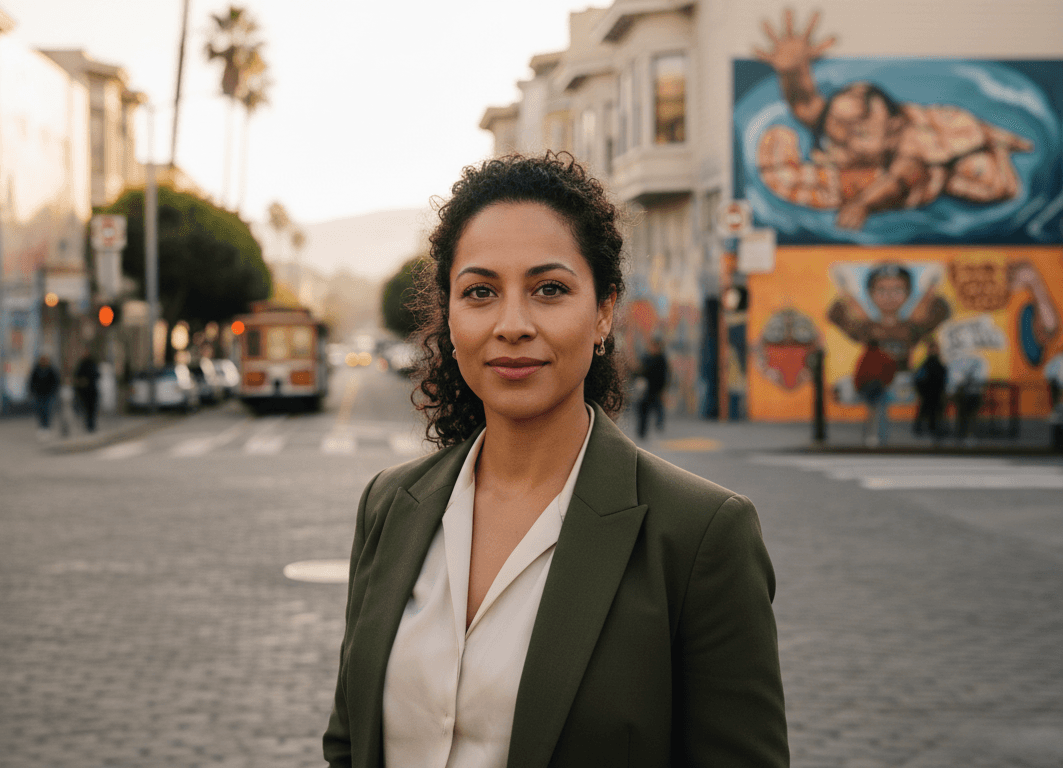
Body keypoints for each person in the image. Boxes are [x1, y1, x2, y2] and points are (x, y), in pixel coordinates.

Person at [324, 153, 786, 768]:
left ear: (603, 311)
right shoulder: (389, 507)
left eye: (550, 289)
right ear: (451, 316)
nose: (512, 325)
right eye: (481, 292)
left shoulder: (700, 536)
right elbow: (349, 745)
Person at [753, 10, 1033, 230]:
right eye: (837, 131)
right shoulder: (842, 121)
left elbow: (902, 176)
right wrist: (792, 70)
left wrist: (863, 204)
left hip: (945, 153)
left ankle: (998, 147)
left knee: (987, 180)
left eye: (858, 135)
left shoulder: (912, 139)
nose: (842, 139)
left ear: (892, 131)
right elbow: (804, 104)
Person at [912, 340, 948, 439]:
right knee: (927, 410)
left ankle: (930, 428)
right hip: (929, 392)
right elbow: (918, 378)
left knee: (931, 411)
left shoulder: (933, 363)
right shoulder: (929, 363)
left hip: (934, 392)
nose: (935, 351)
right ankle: (927, 428)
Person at [635, 337, 668, 439]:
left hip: (656, 390)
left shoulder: (661, 359)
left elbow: (664, 375)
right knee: (643, 409)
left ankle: (659, 423)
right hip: (646, 390)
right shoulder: (647, 358)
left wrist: (663, 389)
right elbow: (640, 372)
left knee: (658, 408)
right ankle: (642, 431)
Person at [27, 355, 60, 432]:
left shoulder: (51, 370)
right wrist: (32, 391)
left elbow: (56, 382)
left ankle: (46, 426)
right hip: (38, 394)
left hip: (48, 394)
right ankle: (42, 426)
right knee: (40, 410)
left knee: (47, 410)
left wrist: (53, 392)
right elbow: (32, 381)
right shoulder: (36, 370)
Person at [73, 353, 100, 433]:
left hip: (89, 391)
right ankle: (90, 425)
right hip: (87, 391)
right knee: (89, 409)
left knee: (89, 409)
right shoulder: (88, 365)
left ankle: (90, 424)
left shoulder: (88, 365)